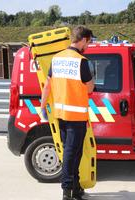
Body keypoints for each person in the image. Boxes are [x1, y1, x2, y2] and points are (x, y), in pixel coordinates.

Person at [40, 26, 95, 200]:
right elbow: (89, 87)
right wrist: (91, 82)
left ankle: (76, 187)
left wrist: (42, 107)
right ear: (84, 39)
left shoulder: (56, 59)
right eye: (89, 41)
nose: (89, 45)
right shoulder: (81, 61)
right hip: (76, 117)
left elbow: (47, 86)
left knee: (74, 152)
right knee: (72, 153)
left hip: (61, 115)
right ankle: (67, 190)